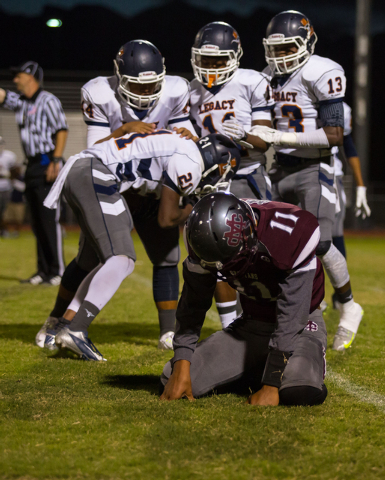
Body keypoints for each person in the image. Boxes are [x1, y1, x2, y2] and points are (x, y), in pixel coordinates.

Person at [38, 39, 196, 350]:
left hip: (152, 186)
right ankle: (56, 320)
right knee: (88, 258)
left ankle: (168, 331)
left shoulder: (177, 90)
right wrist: (123, 130)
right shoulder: (99, 92)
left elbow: (181, 137)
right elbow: (93, 152)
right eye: (138, 86)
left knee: (167, 256)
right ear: (118, 76)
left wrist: (188, 135)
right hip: (112, 187)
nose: (146, 93)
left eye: (152, 86)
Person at [223, 11, 363, 351]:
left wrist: (279, 137)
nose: (280, 56)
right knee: (268, 244)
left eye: (287, 48)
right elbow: (262, 124)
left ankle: (348, 305)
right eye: (276, 49)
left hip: (314, 168)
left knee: (322, 242)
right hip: (278, 169)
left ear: (307, 43)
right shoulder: (265, 76)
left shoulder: (323, 72)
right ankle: (264, 314)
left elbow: (333, 136)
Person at [40, 131, 240, 360]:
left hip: (86, 171)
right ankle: (76, 329)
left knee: (106, 260)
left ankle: (66, 324)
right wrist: (192, 206)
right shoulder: (192, 161)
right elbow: (166, 218)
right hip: (96, 174)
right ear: (216, 163)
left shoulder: (181, 146)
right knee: (121, 259)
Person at [160, 192, 327, 407]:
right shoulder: (200, 236)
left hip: (301, 325)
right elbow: (193, 303)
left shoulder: (289, 233)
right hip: (252, 323)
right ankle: (255, 366)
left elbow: (292, 314)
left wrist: (271, 385)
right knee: (170, 376)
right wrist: (182, 363)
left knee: (299, 391)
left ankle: (269, 367)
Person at [190, 21, 274, 327]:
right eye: (206, 60)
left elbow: (264, 142)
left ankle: (267, 316)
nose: (211, 67)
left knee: (262, 252)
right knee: (218, 255)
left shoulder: (251, 82)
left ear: (234, 56)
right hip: (212, 182)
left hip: (248, 177)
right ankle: (230, 326)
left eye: (218, 60)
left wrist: (244, 136)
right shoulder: (192, 91)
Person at [0, 61, 67, 285]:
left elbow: (61, 130)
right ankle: (43, 271)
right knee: (37, 222)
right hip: (31, 165)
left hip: (48, 160)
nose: (15, 80)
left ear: (30, 76)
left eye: (18, 75)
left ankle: (57, 271)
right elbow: (1, 96)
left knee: (49, 219)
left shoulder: (48, 100)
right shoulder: (22, 103)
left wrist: (56, 160)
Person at [0, 137, 17, 236]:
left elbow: (15, 171)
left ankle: (4, 230)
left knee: (5, 211)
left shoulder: (9, 156)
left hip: (6, 187)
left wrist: (9, 175)